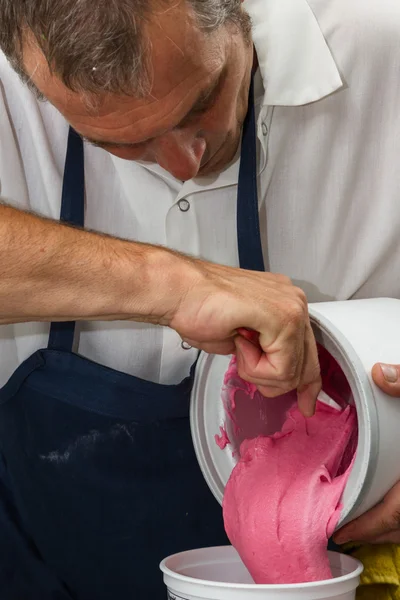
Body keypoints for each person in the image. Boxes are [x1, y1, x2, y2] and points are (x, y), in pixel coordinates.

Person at [0, 0, 399, 596]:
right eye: (121, 143)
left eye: (202, 103)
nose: (186, 165)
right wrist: (175, 284)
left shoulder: (382, 54)